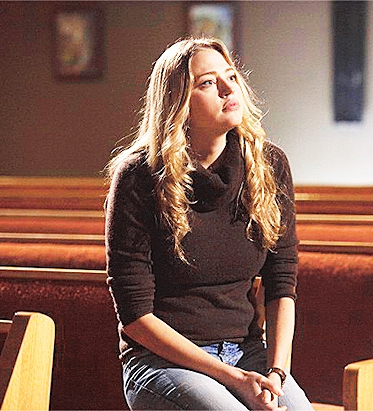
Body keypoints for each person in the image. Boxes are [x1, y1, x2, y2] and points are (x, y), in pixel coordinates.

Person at [104, 36, 314, 411]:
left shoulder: (269, 165)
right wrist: (232, 378)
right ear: (178, 103)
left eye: (230, 76)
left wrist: (277, 374)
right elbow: (135, 317)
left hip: (248, 353)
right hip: (164, 362)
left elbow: (281, 282)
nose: (228, 89)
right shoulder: (138, 177)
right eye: (207, 83)